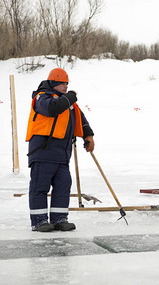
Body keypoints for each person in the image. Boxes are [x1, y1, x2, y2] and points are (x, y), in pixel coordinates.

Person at [26, 68, 95, 232]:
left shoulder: (69, 103)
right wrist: (70, 96)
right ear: (54, 83)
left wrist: (88, 135)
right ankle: (39, 221)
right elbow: (52, 109)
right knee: (40, 186)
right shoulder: (41, 98)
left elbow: (80, 119)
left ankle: (59, 219)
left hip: (62, 155)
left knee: (63, 185)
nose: (65, 86)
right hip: (43, 152)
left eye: (67, 84)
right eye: (62, 83)